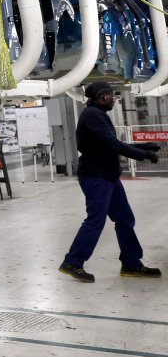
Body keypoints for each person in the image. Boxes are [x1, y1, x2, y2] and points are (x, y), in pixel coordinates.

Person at [58, 81, 161, 282]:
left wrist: (143, 146)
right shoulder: (92, 116)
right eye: (112, 95)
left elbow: (109, 144)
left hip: (109, 176)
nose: (114, 98)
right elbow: (112, 145)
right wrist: (143, 155)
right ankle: (73, 261)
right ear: (102, 96)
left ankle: (131, 264)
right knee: (95, 220)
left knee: (124, 219)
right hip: (96, 177)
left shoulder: (98, 114)